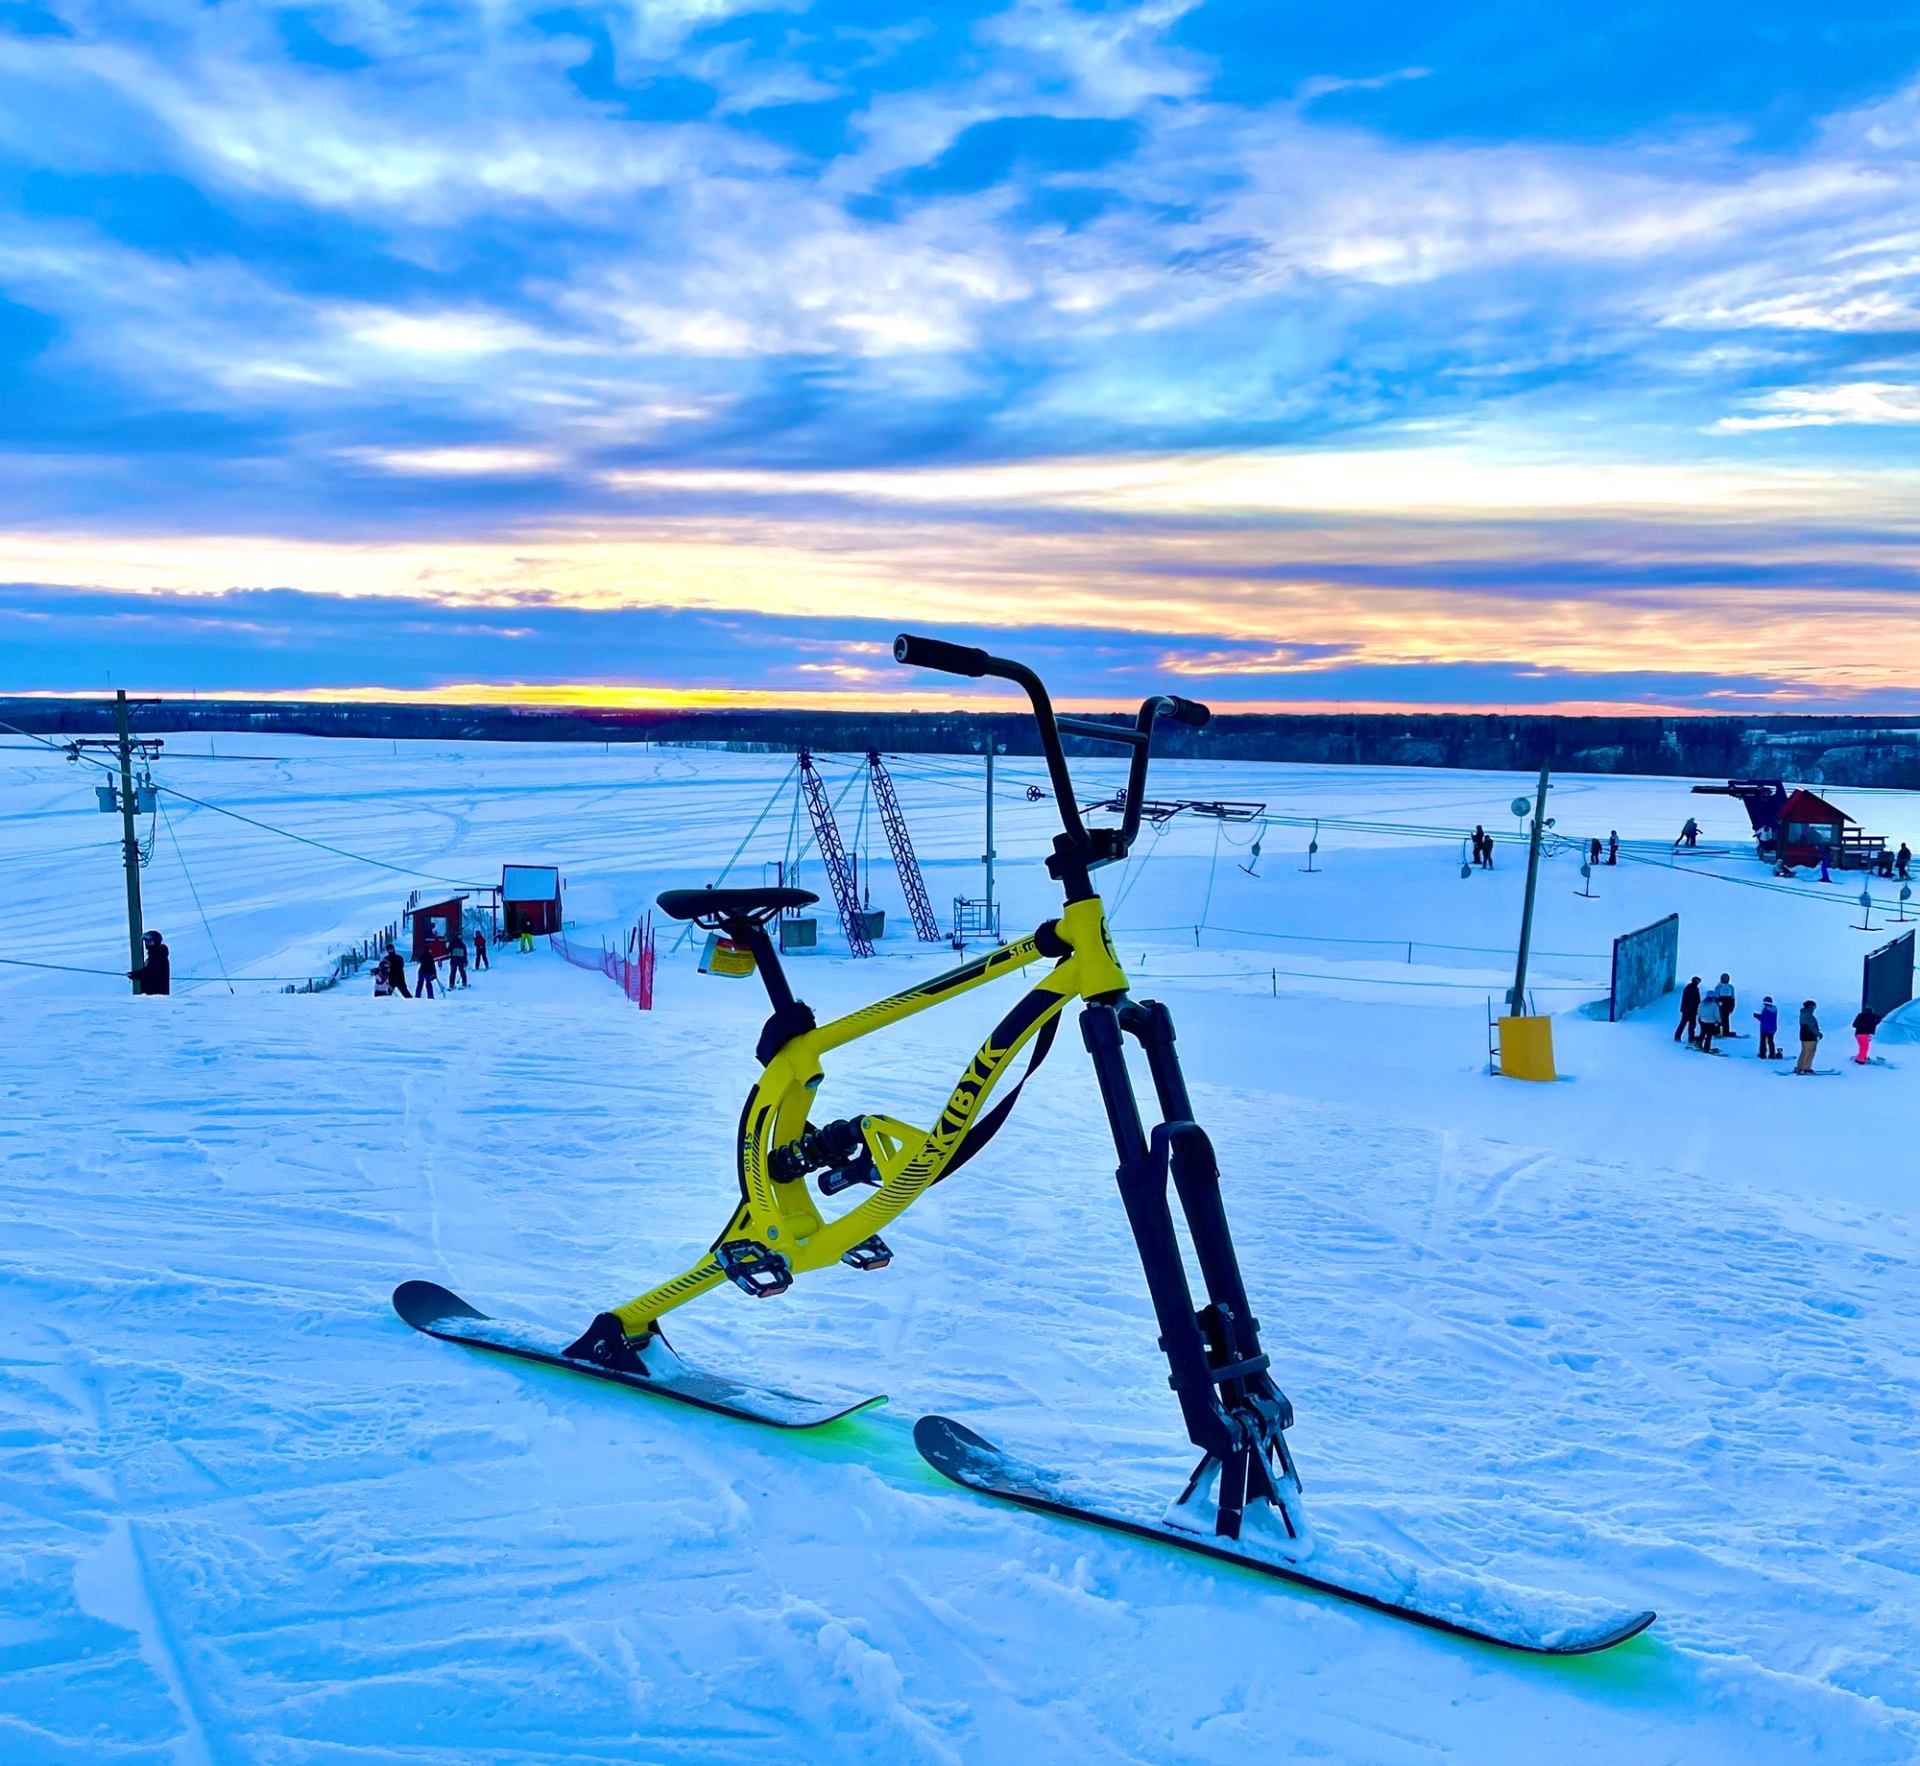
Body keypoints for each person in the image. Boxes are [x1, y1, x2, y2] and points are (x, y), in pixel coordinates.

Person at [128, 929, 170, 996]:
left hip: (156, 995)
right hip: (151, 994)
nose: (147, 944)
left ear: (156, 942)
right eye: (146, 941)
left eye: (150, 941)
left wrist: (135, 974)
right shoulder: (154, 955)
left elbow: (150, 972)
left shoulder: (159, 956)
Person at [1795, 1000, 1821, 1075]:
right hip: (1810, 1036)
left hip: (1804, 1035)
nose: (1814, 1009)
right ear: (1810, 1007)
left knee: (1804, 1051)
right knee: (1810, 1052)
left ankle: (1799, 1066)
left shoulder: (1803, 1014)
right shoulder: (1809, 1015)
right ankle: (1806, 1068)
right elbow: (1812, 1027)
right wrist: (1818, 1034)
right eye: (1814, 1007)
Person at [1675, 975, 1703, 1045]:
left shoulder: (1692, 988)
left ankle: (1690, 1038)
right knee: (1685, 1023)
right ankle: (1680, 1037)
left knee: (1691, 1024)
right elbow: (1690, 1000)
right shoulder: (1691, 988)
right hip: (1688, 1010)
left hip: (1690, 1010)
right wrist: (1691, 1009)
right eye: (1698, 981)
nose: (1698, 982)